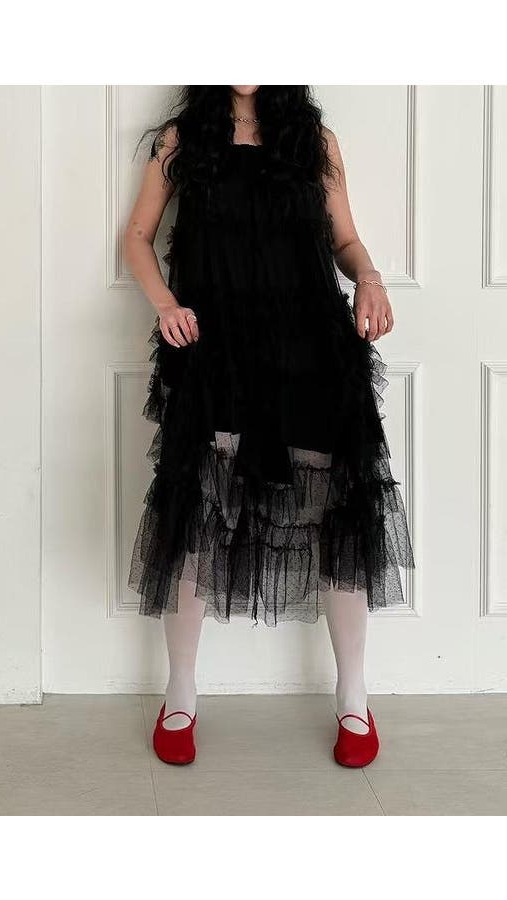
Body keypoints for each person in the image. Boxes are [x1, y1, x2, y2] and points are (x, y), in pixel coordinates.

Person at [124, 85, 415, 768]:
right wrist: (164, 304)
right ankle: (180, 691)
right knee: (196, 516)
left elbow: (345, 240)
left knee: (338, 517)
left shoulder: (316, 143)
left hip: (311, 351)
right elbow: (136, 237)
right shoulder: (180, 140)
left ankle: (353, 694)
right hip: (216, 352)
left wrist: (370, 277)